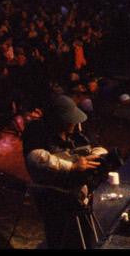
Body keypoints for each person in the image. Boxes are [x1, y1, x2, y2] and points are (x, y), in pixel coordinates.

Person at [22, 95, 104, 249]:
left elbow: (94, 145)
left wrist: (99, 156)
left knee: (85, 238)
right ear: (57, 120)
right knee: (59, 236)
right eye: (69, 120)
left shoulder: (76, 130)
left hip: (77, 192)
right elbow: (35, 158)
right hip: (53, 197)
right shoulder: (36, 131)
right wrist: (72, 166)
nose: (73, 123)